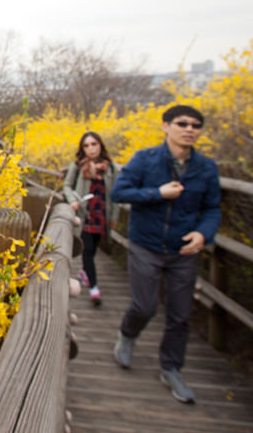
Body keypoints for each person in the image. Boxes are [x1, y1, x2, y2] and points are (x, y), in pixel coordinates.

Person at [111, 105, 221, 404]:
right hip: (145, 244)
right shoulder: (145, 160)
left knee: (180, 314)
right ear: (165, 126)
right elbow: (119, 192)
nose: (189, 129)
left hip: (183, 250)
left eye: (196, 125)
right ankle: (127, 336)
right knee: (144, 306)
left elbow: (212, 208)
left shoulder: (206, 168)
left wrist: (203, 234)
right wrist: (157, 193)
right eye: (182, 123)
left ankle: (171, 368)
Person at [63, 132, 119, 306]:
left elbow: (115, 194)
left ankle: (85, 274)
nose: (90, 148)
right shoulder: (78, 166)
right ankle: (94, 288)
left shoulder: (110, 168)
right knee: (87, 251)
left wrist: (114, 216)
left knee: (93, 250)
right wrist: (72, 200)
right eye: (86, 145)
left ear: (100, 145)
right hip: (84, 214)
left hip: (101, 214)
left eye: (93, 144)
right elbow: (66, 185)